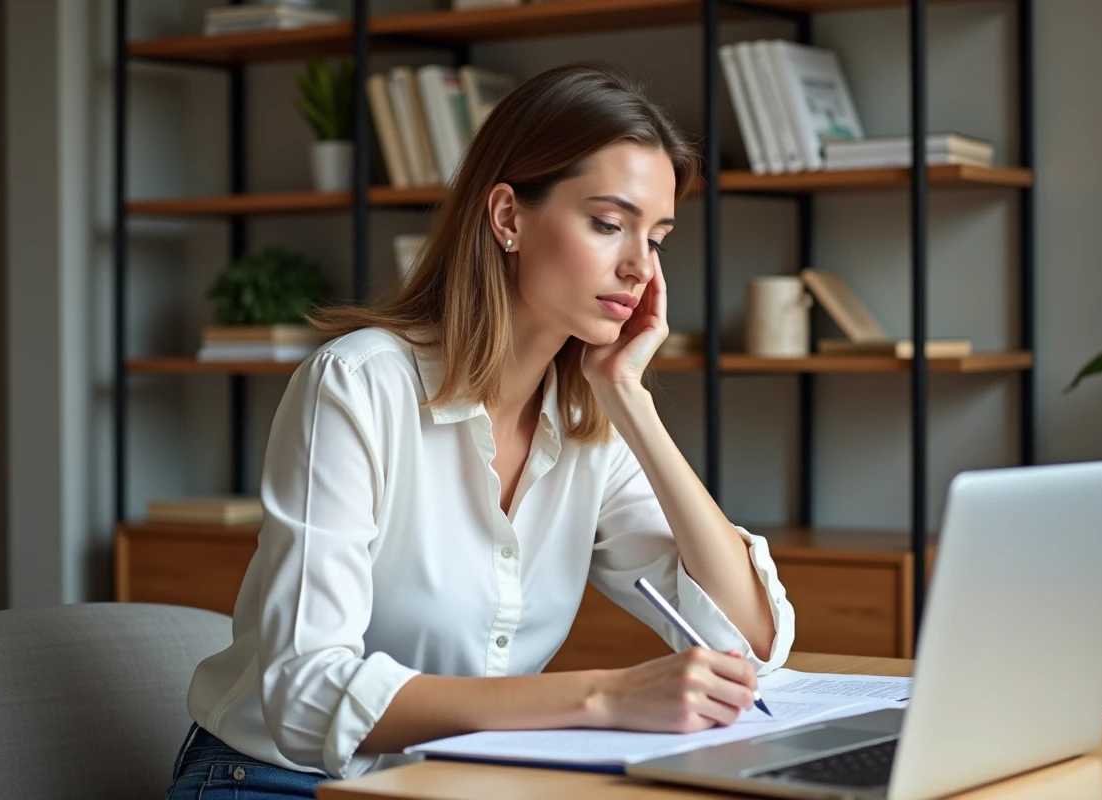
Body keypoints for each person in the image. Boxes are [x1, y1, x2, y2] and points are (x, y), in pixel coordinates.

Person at [164, 61, 794, 800]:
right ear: (507, 218)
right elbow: (307, 690)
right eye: (608, 223)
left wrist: (631, 399)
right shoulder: (358, 387)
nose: (638, 267)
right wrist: (601, 698)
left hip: (458, 783)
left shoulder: (594, 421)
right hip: (276, 781)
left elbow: (748, 640)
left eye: (656, 237)